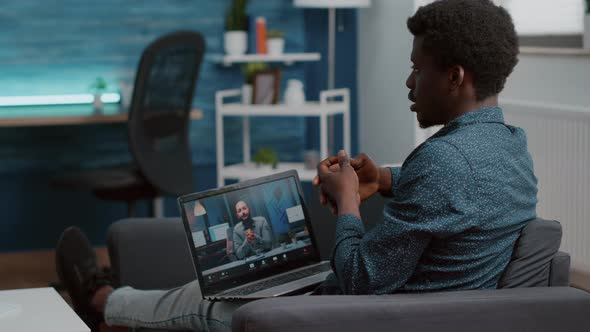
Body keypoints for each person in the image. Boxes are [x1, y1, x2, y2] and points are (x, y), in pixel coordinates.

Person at [54, 1, 537, 331]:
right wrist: (383, 179)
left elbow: (360, 280)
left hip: (362, 317)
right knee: (242, 275)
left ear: (454, 77)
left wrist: (348, 202)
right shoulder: (511, 147)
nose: (409, 82)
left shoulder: (444, 161)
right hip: (409, 304)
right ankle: (121, 304)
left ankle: (100, 304)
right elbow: (455, 198)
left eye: (419, 68)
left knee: (209, 302)